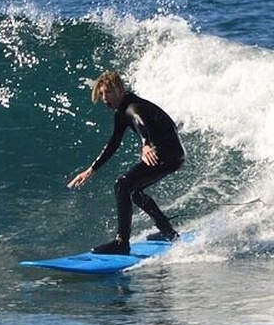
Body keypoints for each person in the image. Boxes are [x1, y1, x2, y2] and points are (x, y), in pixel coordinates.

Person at [67, 71, 185, 255]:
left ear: (120, 90)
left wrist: (145, 144)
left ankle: (122, 242)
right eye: (102, 94)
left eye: (109, 93)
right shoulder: (121, 112)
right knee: (133, 190)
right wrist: (91, 170)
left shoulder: (132, 107)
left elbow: (141, 123)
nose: (105, 98)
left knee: (122, 185)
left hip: (165, 153)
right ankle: (168, 232)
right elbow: (113, 144)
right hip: (172, 154)